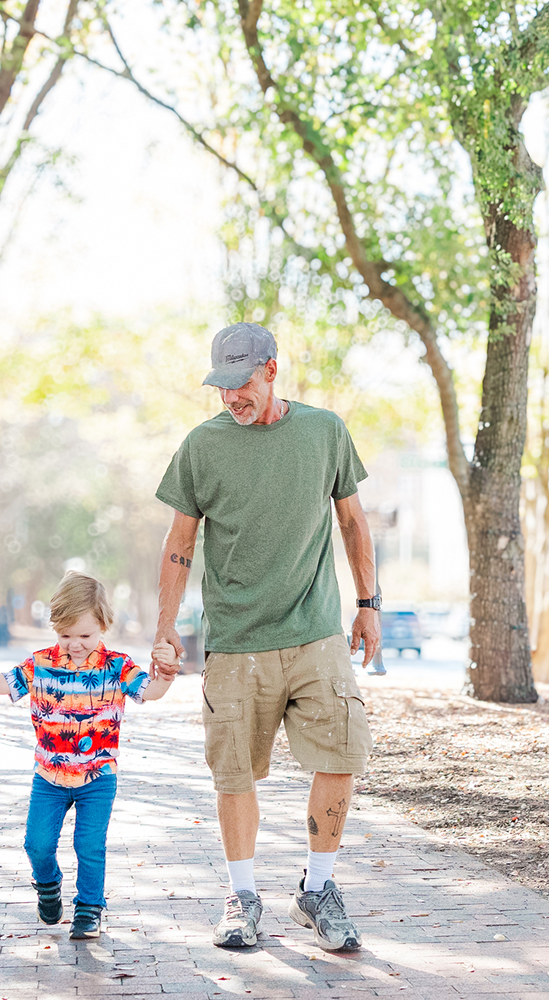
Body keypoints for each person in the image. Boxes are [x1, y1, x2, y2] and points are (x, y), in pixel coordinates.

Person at [152, 322, 380, 953]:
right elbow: (179, 542)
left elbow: (353, 521)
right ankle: (243, 897)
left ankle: (318, 888)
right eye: (222, 386)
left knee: (343, 754)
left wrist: (368, 604)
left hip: (315, 631)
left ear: (272, 370)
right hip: (235, 640)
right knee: (233, 772)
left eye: (242, 383)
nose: (232, 397)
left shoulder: (324, 431)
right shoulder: (202, 446)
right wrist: (166, 626)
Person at [0, 572, 179, 939]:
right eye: (65, 635)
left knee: (89, 845)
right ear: (55, 628)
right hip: (49, 776)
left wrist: (168, 672)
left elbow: (152, 690)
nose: (75, 644)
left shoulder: (118, 666)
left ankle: (89, 908)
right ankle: (48, 884)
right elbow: (4, 685)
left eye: (85, 636)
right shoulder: (40, 663)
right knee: (37, 844)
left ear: (103, 626)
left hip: (98, 777)